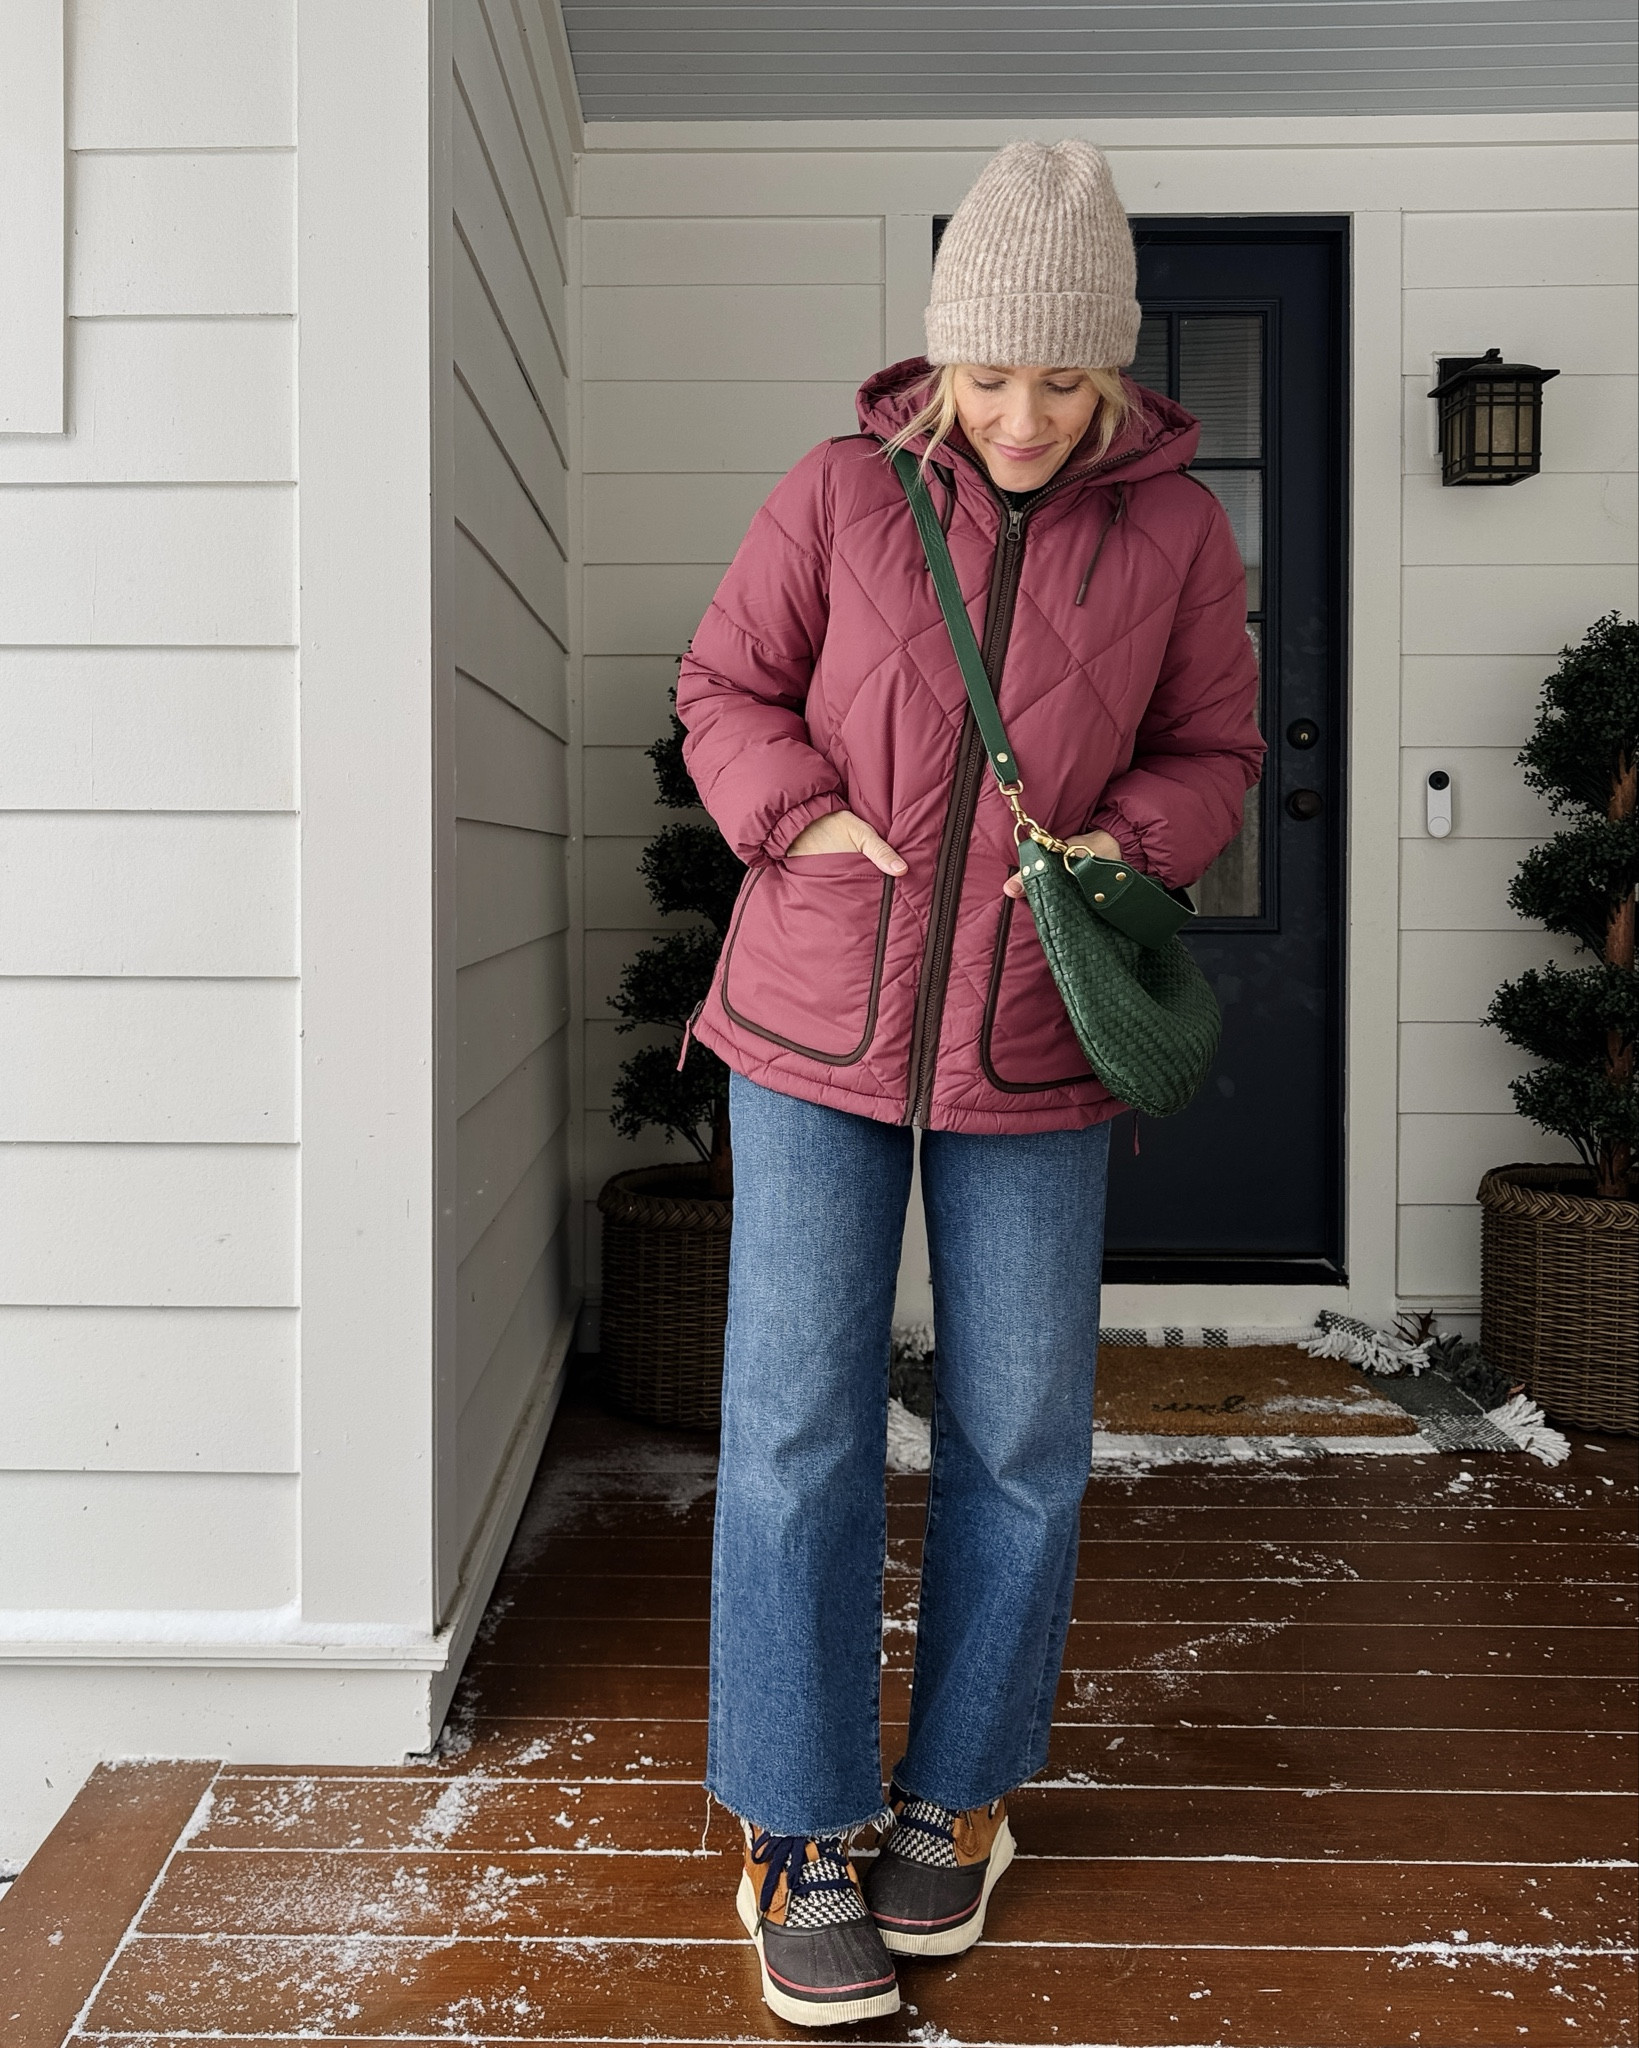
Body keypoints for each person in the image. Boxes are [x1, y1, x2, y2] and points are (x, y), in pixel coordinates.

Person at [674, 139, 1264, 2027]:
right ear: (942, 361)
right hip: (813, 1023)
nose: (1021, 416)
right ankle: (797, 1821)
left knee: (1019, 1434)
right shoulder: (843, 494)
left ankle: (961, 1797)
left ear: (1114, 376)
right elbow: (722, 689)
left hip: (1033, 1036)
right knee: (792, 1428)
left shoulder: (1172, 534)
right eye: (990, 375)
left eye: (1061, 379)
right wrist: (804, 820)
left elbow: (1215, 747)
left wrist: (1129, 854)